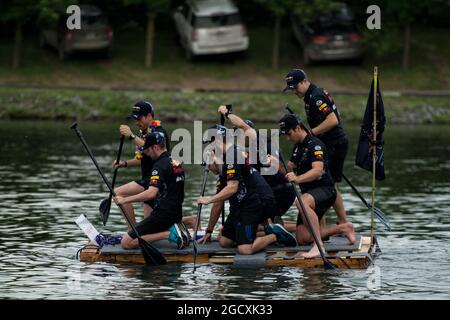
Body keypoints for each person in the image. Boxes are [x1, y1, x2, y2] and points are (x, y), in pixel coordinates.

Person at [197, 125, 297, 255]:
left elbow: (232, 188)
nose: (208, 167)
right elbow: (218, 204)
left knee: (245, 250)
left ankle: (276, 236)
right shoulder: (225, 164)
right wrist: (209, 231)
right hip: (241, 205)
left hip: (254, 204)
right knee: (224, 241)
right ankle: (263, 231)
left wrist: (207, 200)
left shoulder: (232, 157)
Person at [278, 114, 356, 258]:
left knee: (301, 202)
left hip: (326, 191)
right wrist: (276, 165)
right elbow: (289, 171)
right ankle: (344, 228)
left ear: (297, 128)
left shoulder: (315, 145)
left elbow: (317, 170)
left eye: (289, 134)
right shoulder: (297, 148)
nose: (288, 138)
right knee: (302, 238)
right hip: (312, 194)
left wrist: (298, 179)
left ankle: (318, 246)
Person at [283, 69, 348, 225]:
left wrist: (311, 133)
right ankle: (321, 224)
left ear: (305, 81)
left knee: (328, 183)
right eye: (291, 89)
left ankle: (342, 221)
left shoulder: (316, 96)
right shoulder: (309, 96)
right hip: (326, 142)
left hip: (334, 143)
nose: (293, 91)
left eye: (295, 87)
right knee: (321, 184)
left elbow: (333, 120)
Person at [217, 105, 296, 231]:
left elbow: (284, 169)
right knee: (258, 221)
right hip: (270, 191)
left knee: (256, 224)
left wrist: (227, 113)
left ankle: (296, 229)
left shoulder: (259, 140)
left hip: (281, 192)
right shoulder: (249, 149)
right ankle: (292, 226)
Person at [114, 132, 189, 250]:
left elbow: (151, 193)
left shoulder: (158, 166)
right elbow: (182, 191)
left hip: (163, 215)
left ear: (155, 147)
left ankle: (170, 234)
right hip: (176, 213)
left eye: (148, 150)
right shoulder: (176, 161)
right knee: (142, 229)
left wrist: (125, 199)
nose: (147, 154)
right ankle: (173, 228)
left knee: (126, 242)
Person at [113, 100, 170, 230]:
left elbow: (148, 148)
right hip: (148, 180)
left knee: (118, 194)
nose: (136, 122)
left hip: (158, 181)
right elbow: (142, 158)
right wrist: (124, 163)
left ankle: (132, 232)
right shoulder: (143, 134)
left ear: (149, 116)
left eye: (139, 118)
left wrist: (131, 136)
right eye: (134, 119)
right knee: (150, 226)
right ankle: (189, 221)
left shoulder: (159, 133)